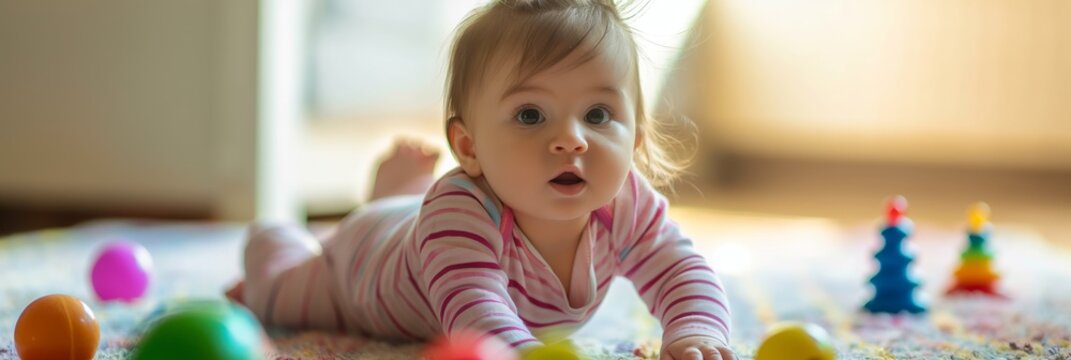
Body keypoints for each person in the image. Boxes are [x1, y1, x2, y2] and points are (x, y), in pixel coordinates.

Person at [228, 0, 734, 358]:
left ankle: (398, 198)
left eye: (598, 115)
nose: (571, 140)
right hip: (360, 269)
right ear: (469, 147)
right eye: (531, 115)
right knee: (279, 295)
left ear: (636, 141)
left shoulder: (625, 203)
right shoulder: (458, 213)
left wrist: (696, 329)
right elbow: (475, 311)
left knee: (414, 219)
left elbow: (677, 267)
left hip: (417, 229)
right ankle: (279, 238)